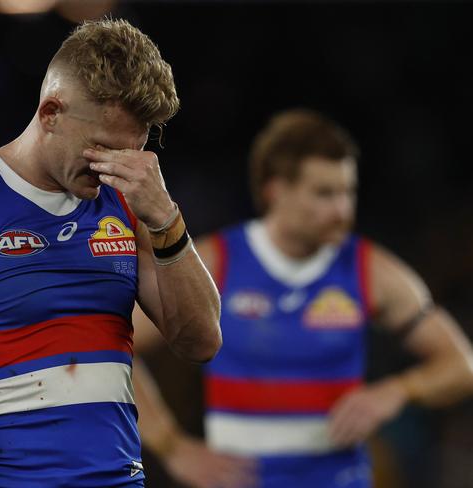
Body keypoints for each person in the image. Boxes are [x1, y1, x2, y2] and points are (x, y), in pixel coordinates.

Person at [0, 19, 222, 488]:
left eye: (131, 153)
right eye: (101, 148)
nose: (110, 168)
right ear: (51, 112)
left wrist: (166, 219)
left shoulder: (129, 202)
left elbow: (200, 341)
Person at [132, 109, 473, 488]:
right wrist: (171, 445)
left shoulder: (370, 270)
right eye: (325, 193)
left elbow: (462, 364)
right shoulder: (216, 263)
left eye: (348, 192)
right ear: (276, 190)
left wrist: (398, 390)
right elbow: (116, 343)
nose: (343, 210)